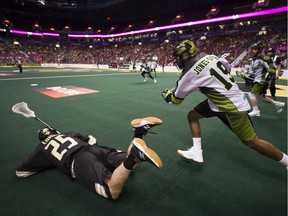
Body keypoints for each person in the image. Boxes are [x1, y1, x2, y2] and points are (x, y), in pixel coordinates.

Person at [161, 39, 288, 168]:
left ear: (186, 55)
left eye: (178, 57)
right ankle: (197, 152)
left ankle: (287, 162)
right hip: (221, 100)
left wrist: (166, 95)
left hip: (230, 106)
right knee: (192, 115)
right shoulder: (210, 57)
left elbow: (176, 99)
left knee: (252, 142)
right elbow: (227, 67)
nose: (176, 61)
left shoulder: (189, 74)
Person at [16, 117, 163, 200]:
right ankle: (138, 133)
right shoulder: (68, 133)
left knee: (112, 191)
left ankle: (135, 155)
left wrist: (49, 161)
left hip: (78, 161)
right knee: (130, 163)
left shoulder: (42, 148)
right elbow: (92, 139)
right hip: (92, 149)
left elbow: (21, 172)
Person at [247, 43, 285, 117]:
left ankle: (256, 111)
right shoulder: (253, 59)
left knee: (251, 94)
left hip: (261, 81)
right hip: (257, 80)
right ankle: (278, 104)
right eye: (252, 49)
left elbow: (272, 69)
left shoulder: (264, 58)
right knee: (261, 97)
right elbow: (252, 71)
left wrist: (268, 77)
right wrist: (246, 74)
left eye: (255, 49)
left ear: (259, 50)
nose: (253, 51)